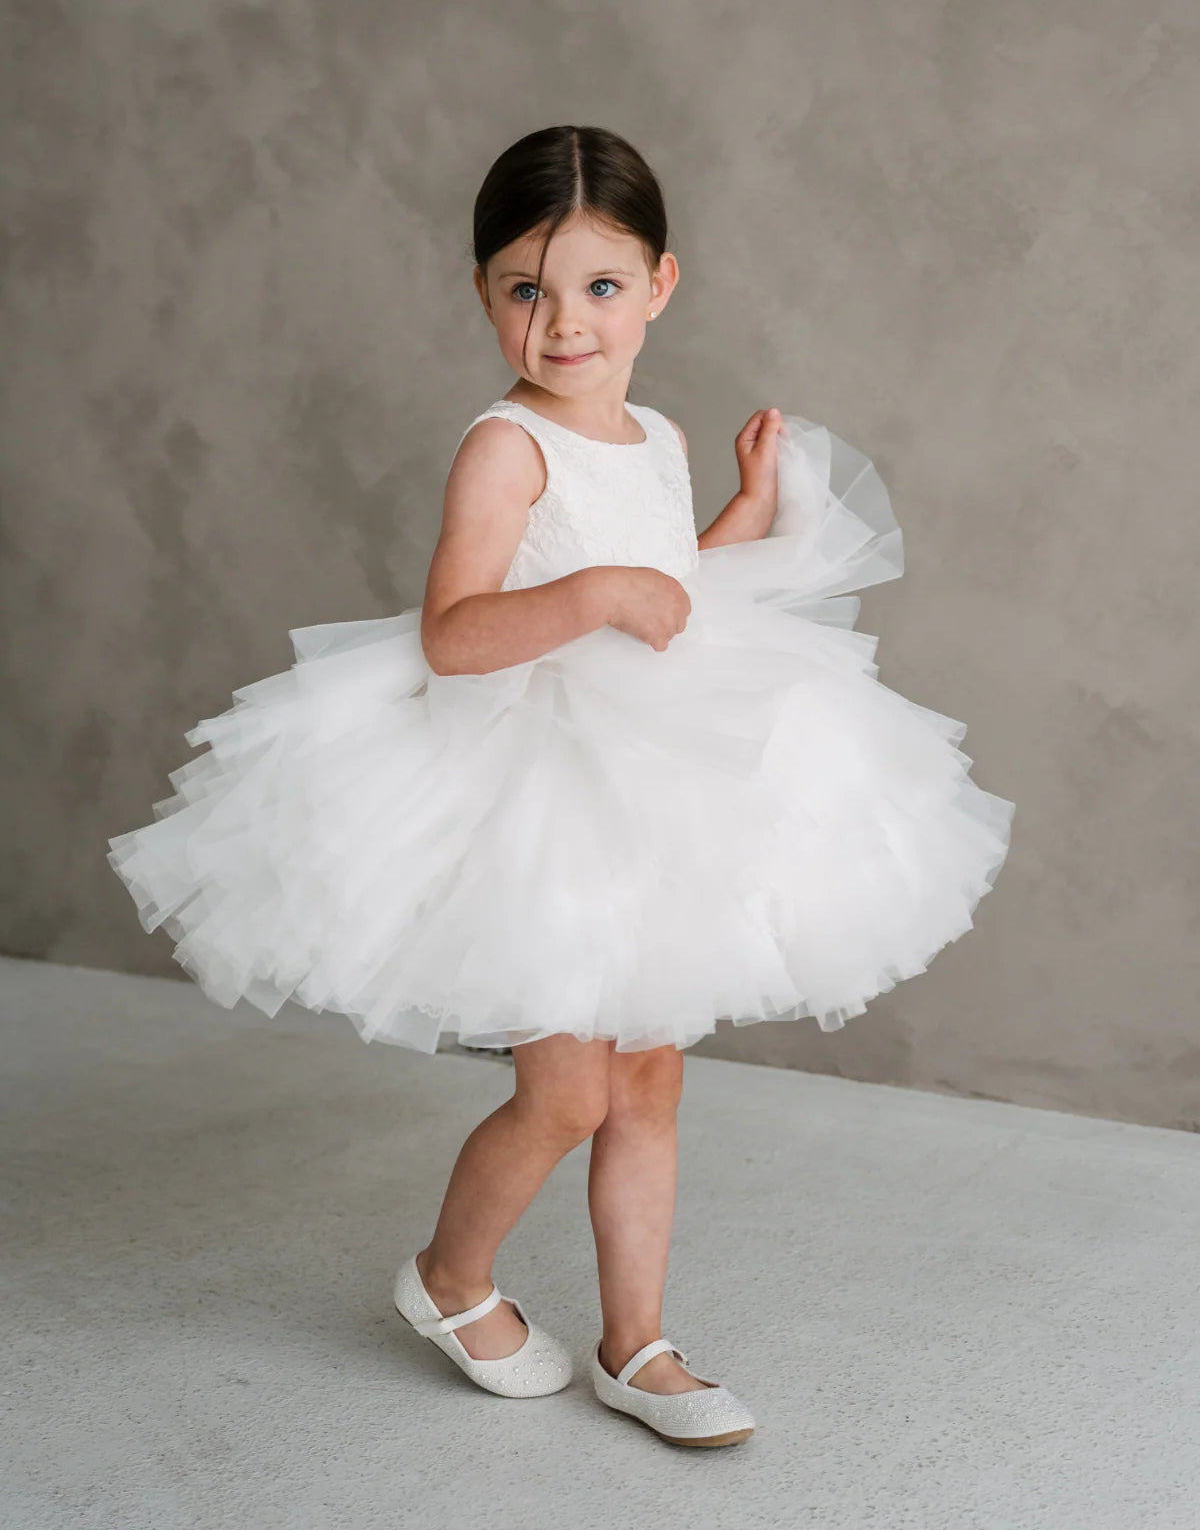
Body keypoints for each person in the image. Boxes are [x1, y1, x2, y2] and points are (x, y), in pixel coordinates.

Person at [107, 124, 1014, 1448]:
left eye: (599, 285)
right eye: (526, 289)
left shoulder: (656, 433)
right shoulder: (504, 446)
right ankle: (449, 1276)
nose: (564, 322)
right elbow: (454, 633)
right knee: (568, 1095)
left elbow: (666, 590)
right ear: (482, 292)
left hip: (650, 784)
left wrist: (742, 516)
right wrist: (588, 591)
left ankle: (638, 1345)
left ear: (660, 286)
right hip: (533, 791)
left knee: (649, 1085)